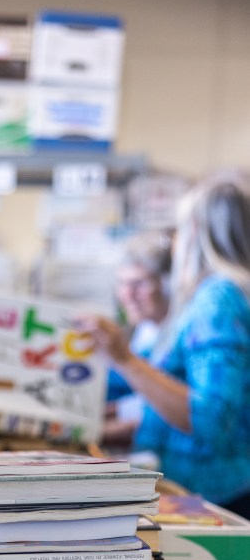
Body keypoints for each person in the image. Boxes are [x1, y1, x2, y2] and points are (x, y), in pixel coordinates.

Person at [81, 174, 250, 518]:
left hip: (215, 498)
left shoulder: (218, 297)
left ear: (195, 230)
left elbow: (211, 419)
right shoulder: (220, 295)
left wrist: (125, 360)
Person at [105, 230, 172, 437]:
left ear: (166, 284)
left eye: (139, 284)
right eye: (122, 283)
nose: (128, 295)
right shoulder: (147, 329)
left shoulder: (180, 335)